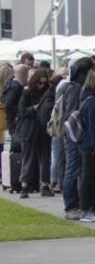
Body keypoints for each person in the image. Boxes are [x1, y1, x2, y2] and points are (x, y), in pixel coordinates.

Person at [60, 57, 95, 220]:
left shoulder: (73, 87)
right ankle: (70, 206)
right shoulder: (75, 89)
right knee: (73, 169)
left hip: (75, 135)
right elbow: (72, 114)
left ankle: (76, 204)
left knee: (75, 169)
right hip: (76, 135)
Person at [16, 69, 54, 198]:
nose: (42, 86)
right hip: (30, 129)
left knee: (45, 157)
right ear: (35, 82)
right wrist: (35, 108)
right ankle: (25, 186)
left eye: (44, 83)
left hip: (41, 128)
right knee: (29, 157)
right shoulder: (27, 92)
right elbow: (21, 111)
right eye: (39, 83)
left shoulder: (48, 92)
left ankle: (44, 185)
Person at [77, 72, 95, 222]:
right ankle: (86, 207)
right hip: (90, 144)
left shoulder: (84, 98)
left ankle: (89, 206)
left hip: (84, 143)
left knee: (87, 175)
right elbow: (94, 127)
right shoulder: (93, 101)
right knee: (89, 176)